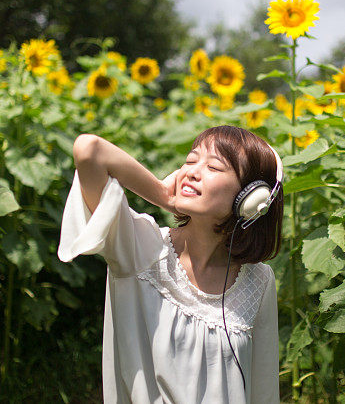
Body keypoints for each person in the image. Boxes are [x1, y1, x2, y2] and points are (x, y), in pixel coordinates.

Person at [59, 125, 283, 403]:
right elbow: (89, 150)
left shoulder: (258, 281)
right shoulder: (141, 248)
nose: (191, 171)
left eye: (214, 167)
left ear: (250, 199)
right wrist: (163, 196)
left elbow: (264, 389)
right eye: (190, 160)